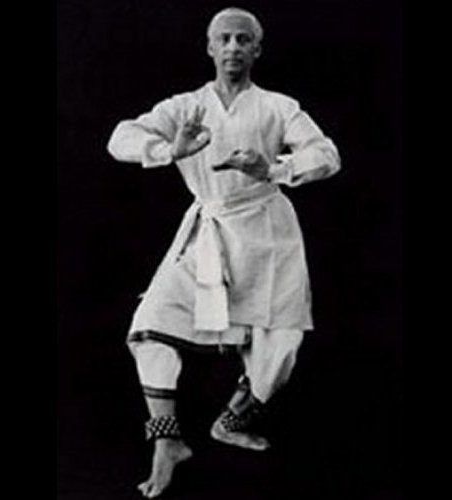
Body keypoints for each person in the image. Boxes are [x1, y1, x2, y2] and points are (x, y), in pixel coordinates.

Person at [107, 7, 341, 498]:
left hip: (270, 236)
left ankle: (231, 421)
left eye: (243, 39)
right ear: (210, 48)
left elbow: (326, 155)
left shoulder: (278, 106)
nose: (233, 47)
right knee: (150, 326)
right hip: (209, 231)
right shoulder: (186, 106)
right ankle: (167, 442)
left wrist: (272, 168)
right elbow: (120, 137)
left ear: (257, 49)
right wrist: (170, 149)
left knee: (281, 348)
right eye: (225, 39)